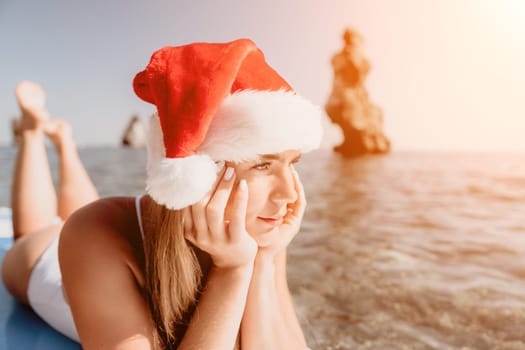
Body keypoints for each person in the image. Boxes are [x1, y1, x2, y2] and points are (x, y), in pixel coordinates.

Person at [1, 39, 323, 349]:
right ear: (202, 174)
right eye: (263, 166)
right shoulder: (92, 233)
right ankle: (31, 132)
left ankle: (65, 143)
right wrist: (232, 271)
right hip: (42, 258)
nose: (289, 195)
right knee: (43, 227)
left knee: (84, 212)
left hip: (91, 249)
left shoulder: (258, 229)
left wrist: (263, 258)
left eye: (292, 164)